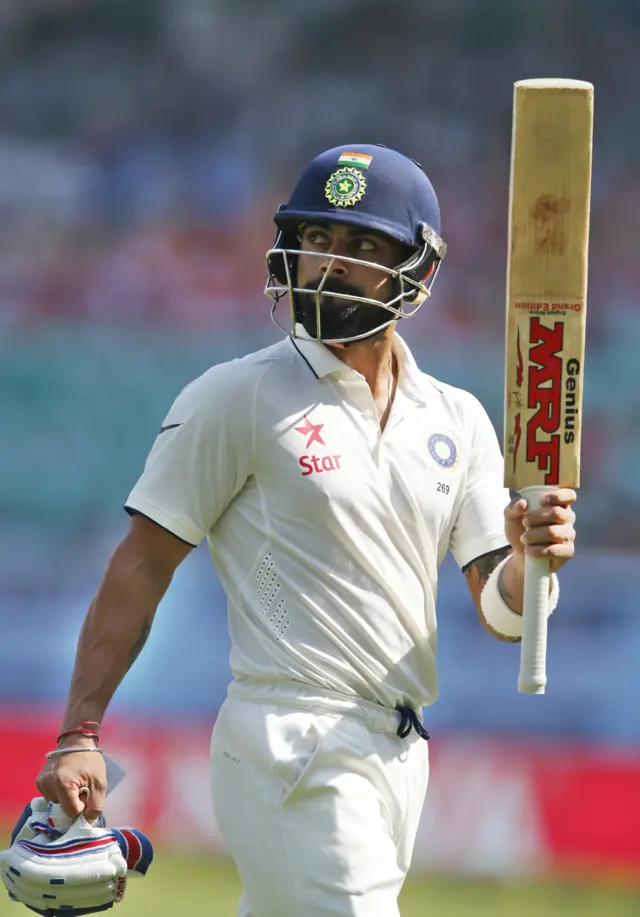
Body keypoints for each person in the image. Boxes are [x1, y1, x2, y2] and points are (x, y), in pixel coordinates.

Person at [35, 144, 577, 917]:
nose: (327, 262)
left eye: (360, 246)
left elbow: (502, 609)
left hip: (398, 748)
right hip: (288, 733)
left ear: (418, 273)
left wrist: (535, 560)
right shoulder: (237, 395)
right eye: (315, 238)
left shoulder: (457, 418)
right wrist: (78, 732)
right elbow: (141, 566)